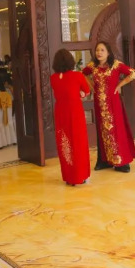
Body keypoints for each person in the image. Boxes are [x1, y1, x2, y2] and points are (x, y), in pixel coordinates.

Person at [82, 41, 135, 173]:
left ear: (108, 53)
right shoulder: (92, 66)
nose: (99, 53)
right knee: (103, 131)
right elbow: (83, 74)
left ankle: (121, 162)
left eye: (102, 50)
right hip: (100, 104)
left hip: (113, 103)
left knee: (117, 130)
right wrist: (91, 86)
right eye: (97, 50)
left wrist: (119, 85)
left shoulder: (116, 65)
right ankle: (105, 161)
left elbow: (133, 73)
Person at [51, 49, 91, 185]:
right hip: (75, 112)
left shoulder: (53, 78)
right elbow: (87, 91)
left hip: (60, 113)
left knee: (65, 143)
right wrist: (81, 94)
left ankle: (69, 177)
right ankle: (80, 176)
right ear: (71, 61)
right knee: (78, 143)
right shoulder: (77, 76)